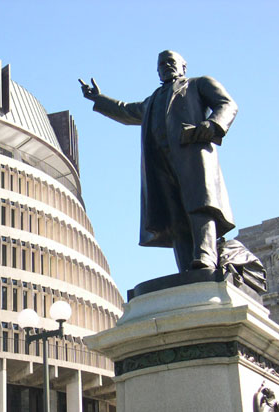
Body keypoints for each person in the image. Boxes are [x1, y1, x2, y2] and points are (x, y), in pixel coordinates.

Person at [79, 50, 238, 272]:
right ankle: (185, 268)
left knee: (199, 205)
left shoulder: (199, 84)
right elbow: (126, 110)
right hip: (160, 164)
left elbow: (227, 104)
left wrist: (211, 125)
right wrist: (98, 99)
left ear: (184, 66)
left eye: (171, 62)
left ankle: (205, 256)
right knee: (175, 217)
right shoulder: (152, 101)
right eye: (162, 64)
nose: (166, 66)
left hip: (192, 155)